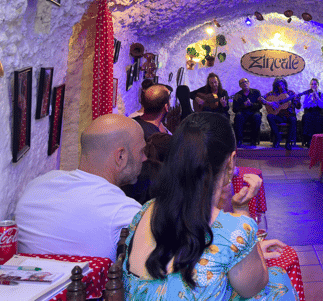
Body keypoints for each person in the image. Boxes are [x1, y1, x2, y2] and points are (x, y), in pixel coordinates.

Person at [123, 112, 297, 300]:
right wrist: (242, 214)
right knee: (278, 282)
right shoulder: (234, 230)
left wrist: (244, 251)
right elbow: (253, 287)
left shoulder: (146, 209)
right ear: (230, 162)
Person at [15, 114, 146, 261]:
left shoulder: (37, 185)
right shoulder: (125, 212)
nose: (145, 158)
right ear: (120, 156)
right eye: (141, 151)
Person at [264, 78, 300, 150]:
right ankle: (278, 137)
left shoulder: (291, 93)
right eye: (279, 85)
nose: (281, 86)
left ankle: (288, 142)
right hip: (278, 116)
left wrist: (297, 101)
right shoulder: (272, 93)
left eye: (282, 84)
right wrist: (270, 103)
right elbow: (261, 99)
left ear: (285, 84)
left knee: (293, 120)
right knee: (269, 116)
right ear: (276, 86)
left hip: (289, 116)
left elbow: (298, 107)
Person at [232, 77, 263, 147]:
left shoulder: (256, 92)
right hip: (243, 114)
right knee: (238, 116)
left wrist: (251, 104)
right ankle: (239, 140)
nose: (244, 84)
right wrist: (244, 106)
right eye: (242, 83)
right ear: (240, 86)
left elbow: (260, 106)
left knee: (257, 116)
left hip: (253, 113)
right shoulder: (237, 95)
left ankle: (254, 140)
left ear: (249, 83)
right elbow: (234, 109)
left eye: (246, 82)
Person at [301, 78, 323, 147]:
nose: (313, 86)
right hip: (309, 112)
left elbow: (322, 105)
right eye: (312, 84)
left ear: (318, 85)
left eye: (315, 84)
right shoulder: (307, 94)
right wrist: (311, 100)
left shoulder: (321, 94)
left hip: (318, 112)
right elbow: (305, 106)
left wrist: (317, 97)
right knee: (308, 118)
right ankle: (309, 140)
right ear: (310, 85)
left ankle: (318, 140)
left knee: (320, 119)